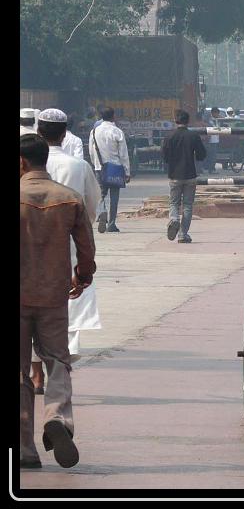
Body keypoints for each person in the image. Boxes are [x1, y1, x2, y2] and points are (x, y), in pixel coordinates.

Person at [20, 133, 96, 469]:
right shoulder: (69, 198)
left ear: (21, 162)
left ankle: (24, 448)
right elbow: (86, 247)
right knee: (57, 362)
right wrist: (83, 275)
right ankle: (58, 420)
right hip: (53, 295)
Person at [30, 110, 101, 395]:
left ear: (39, 131)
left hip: (29, 244)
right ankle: (59, 374)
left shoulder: (27, 165)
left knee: (29, 311)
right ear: (64, 133)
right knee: (68, 313)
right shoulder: (78, 167)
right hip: (66, 246)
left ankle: (36, 377)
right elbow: (91, 208)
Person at [162, 110, 206, 244]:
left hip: (174, 175)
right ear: (188, 121)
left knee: (174, 202)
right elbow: (201, 155)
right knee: (187, 205)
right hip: (190, 175)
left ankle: (174, 219)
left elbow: (165, 157)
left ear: (175, 120)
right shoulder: (193, 136)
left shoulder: (169, 136)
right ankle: (182, 234)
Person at [88, 107, 130, 233]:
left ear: (101, 117)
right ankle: (111, 224)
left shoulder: (94, 132)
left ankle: (102, 212)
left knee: (99, 194)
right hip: (116, 168)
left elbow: (91, 150)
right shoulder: (117, 132)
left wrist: (95, 163)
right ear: (113, 116)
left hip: (100, 167)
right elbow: (123, 154)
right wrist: (127, 172)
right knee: (114, 197)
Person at [204, 107, 222, 173]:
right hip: (211, 140)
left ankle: (211, 168)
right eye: (217, 113)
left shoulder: (216, 120)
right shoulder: (210, 121)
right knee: (212, 156)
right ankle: (211, 169)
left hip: (215, 140)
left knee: (213, 155)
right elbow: (215, 128)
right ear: (213, 113)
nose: (218, 115)